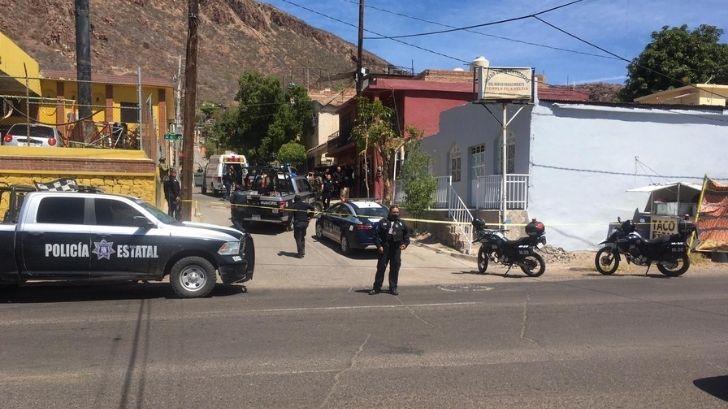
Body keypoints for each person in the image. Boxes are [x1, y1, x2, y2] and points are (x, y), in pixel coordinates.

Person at [369, 206, 410, 296]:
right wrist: (379, 246)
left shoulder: (402, 223)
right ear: (390, 212)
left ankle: (393, 288)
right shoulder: (383, 222)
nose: (395, 214)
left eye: (397, 212)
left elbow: (406, 236)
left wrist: (405, 244)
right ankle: (376, 288)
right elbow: (376, 235)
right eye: (394, 212)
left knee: (395, 269)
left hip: (396, 250)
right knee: (381, 268)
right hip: (384, 249)